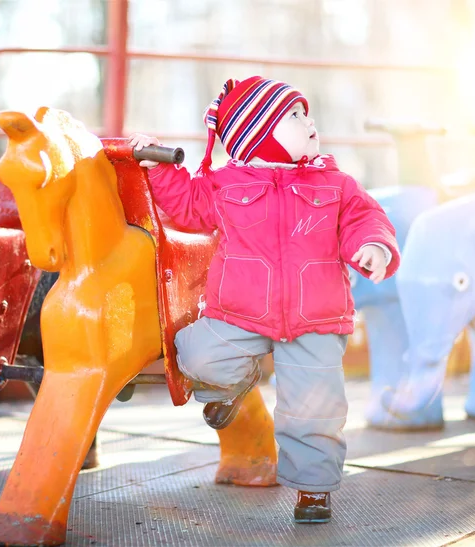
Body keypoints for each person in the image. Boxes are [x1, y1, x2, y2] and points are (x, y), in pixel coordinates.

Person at [129, 76, 400, 524]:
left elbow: (365, 217)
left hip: (315, 316)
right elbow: (187, 204)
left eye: (306, 112)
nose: (308, 121)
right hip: (240, 311)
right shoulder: (225, 184)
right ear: (260, 133)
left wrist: (374, 246)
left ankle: (312, 490)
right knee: (195, 353)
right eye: (293, 115)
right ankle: (232, 383)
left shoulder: (334, 183)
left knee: (314, 407)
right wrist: (158, 167)